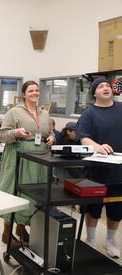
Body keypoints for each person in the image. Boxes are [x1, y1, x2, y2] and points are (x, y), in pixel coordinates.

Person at [0, 80, 55, 245]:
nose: (35, 93)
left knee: (33, 193)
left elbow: (50, 132)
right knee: (14, 190)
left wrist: (52, 137)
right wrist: (15, 132)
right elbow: (2, 135)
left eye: (37, 90)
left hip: (40, 158)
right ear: (24, 94)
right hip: (19, 155)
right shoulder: (14, 112)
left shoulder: (44, 113)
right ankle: (6, 231)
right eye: (31, 91)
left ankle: (21, 227)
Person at [77, 78, 122, 258]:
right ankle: (91, 239)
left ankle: (111, 242)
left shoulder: (121, 109)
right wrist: (97, 146)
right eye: (100, 87)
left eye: (107, 86)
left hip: (119, 172)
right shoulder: (89, 114)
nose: (105, 88)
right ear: (94, 93)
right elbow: (83, 137)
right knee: (93, 208)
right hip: (96, 171)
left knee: (116, 209)